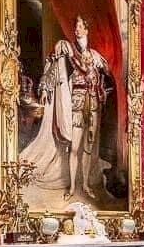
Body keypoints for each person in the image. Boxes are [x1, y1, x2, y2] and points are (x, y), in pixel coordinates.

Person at [20, 16, 110, 203]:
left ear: (86, 30)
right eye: (75, 26)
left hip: (93, 105)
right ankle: (72, 187)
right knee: (74, 148)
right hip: (76, 104)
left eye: (80, 26)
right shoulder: (67, 49)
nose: (77, 30)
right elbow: (52, 66)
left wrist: (100, 80)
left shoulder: (95, 55)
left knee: (88, 148)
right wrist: (45, 88)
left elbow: (106, 77)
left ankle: (85, 185)